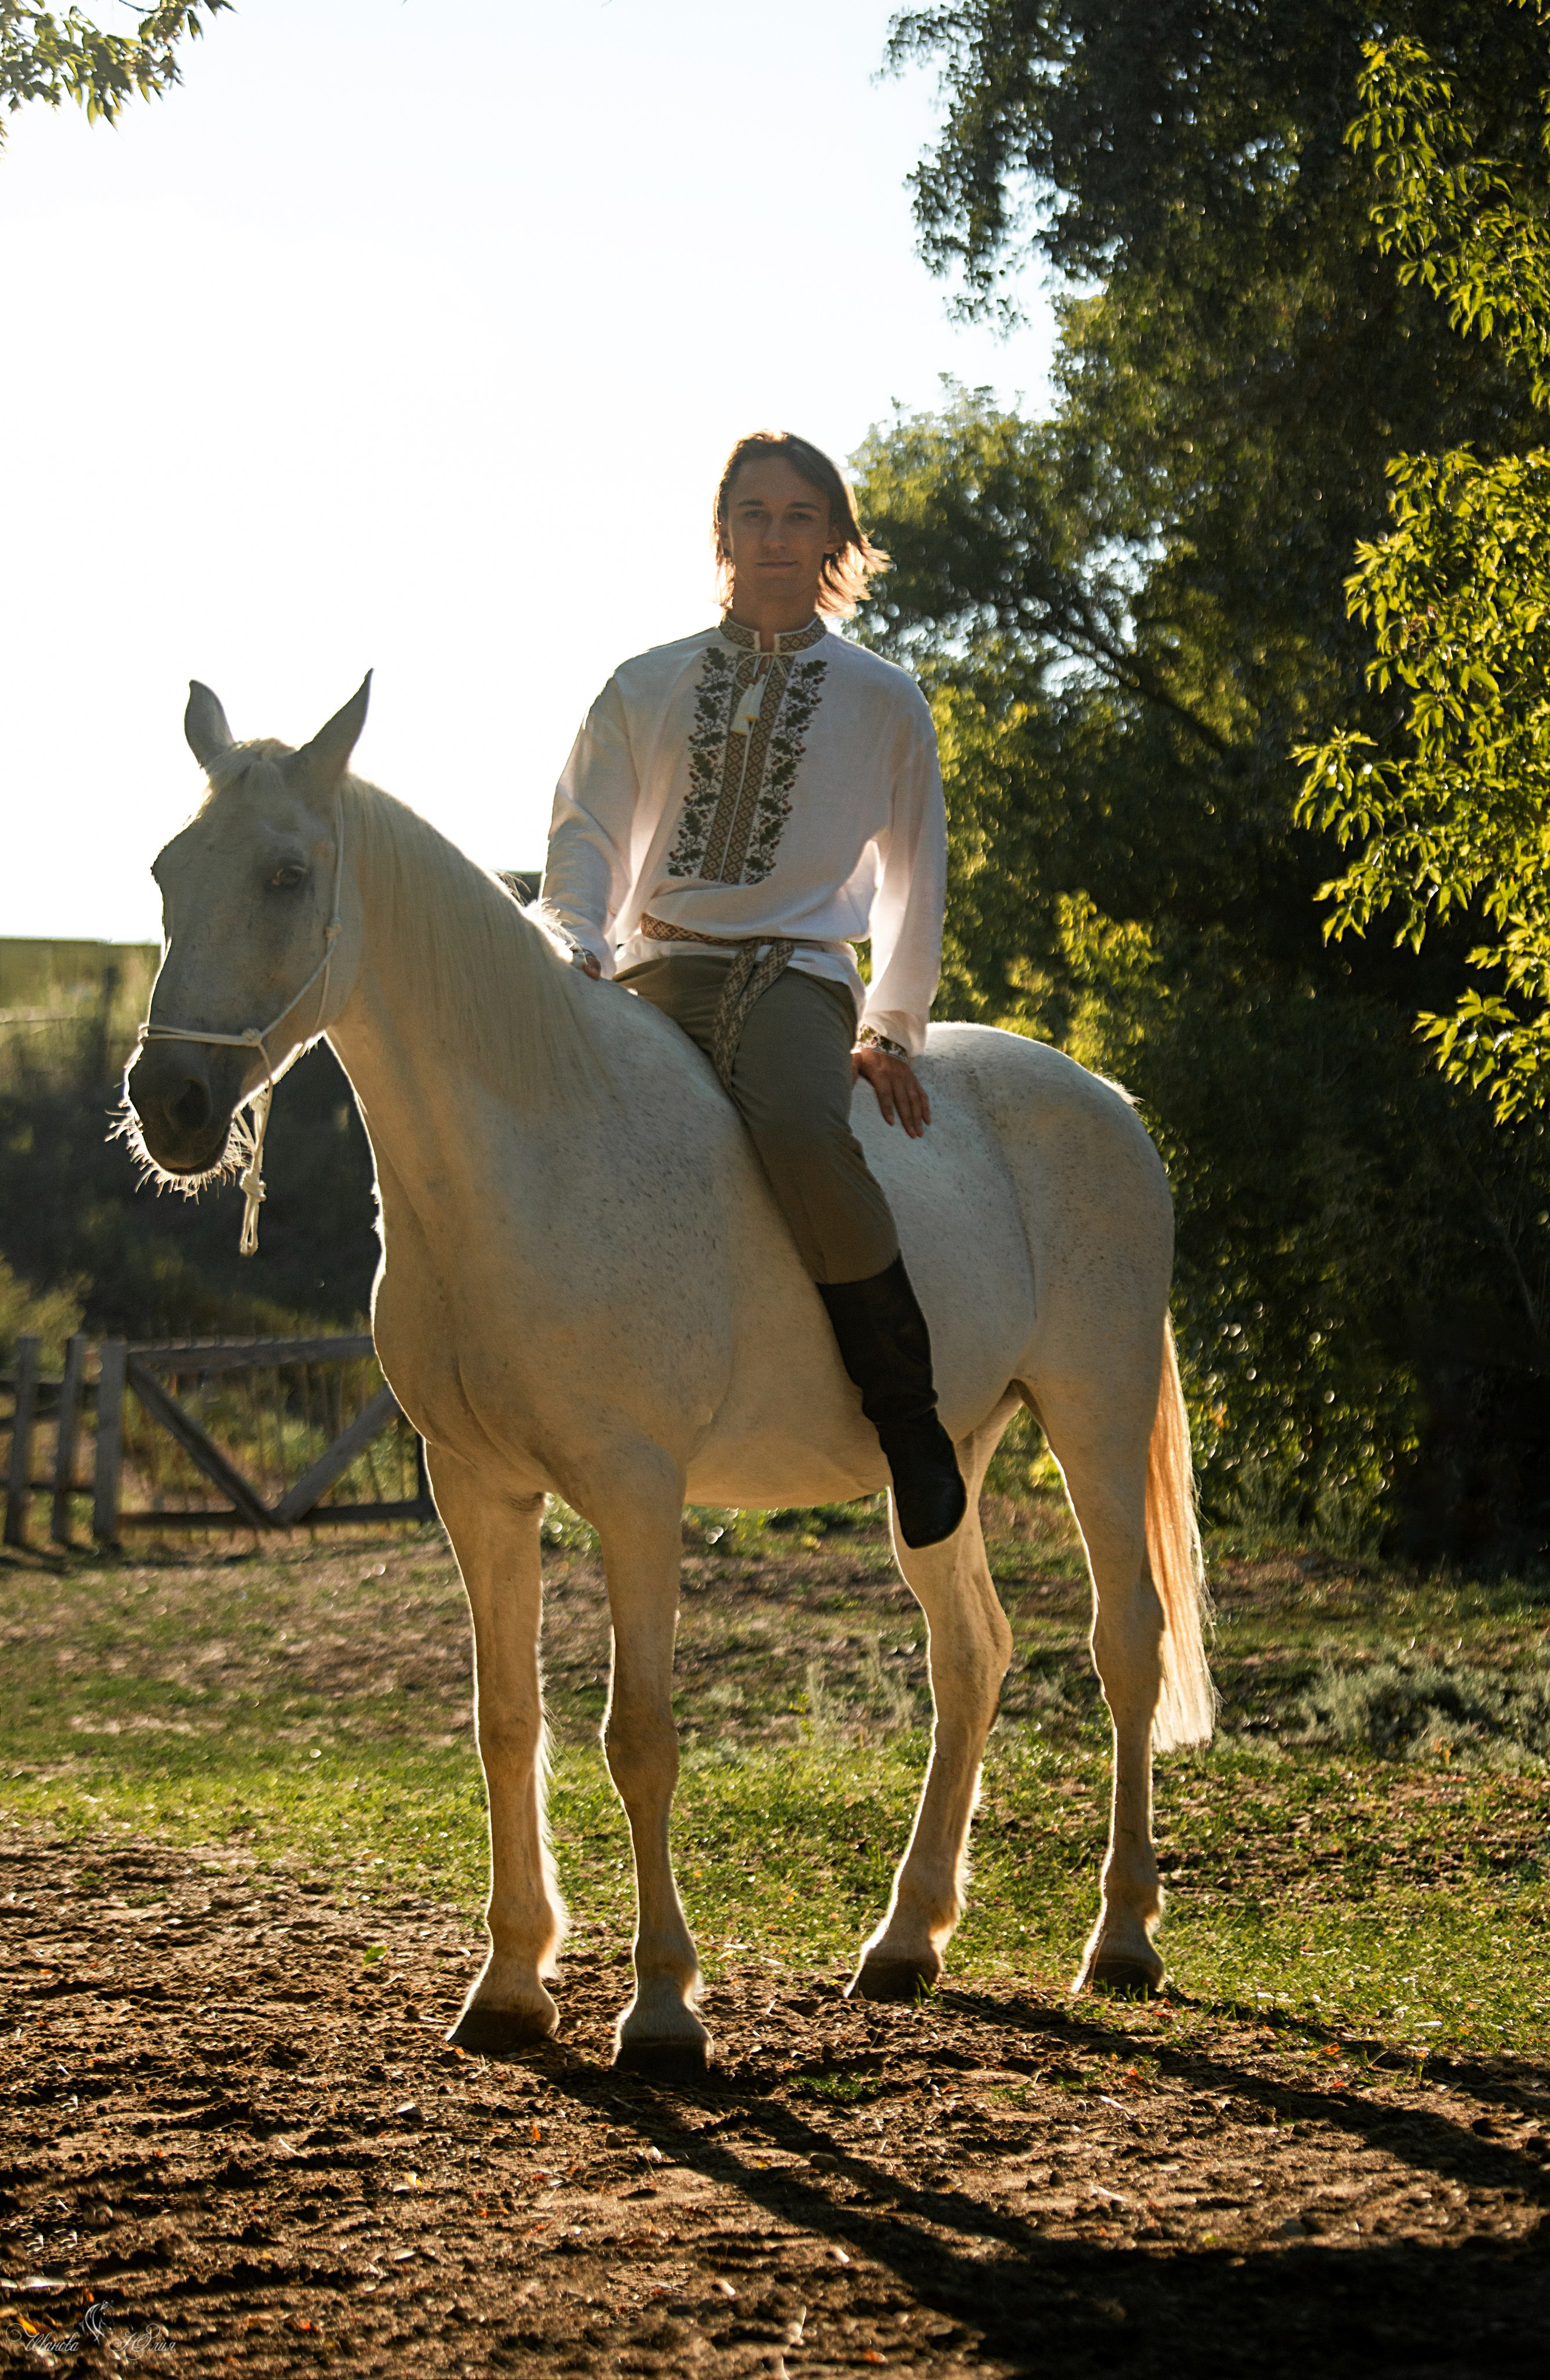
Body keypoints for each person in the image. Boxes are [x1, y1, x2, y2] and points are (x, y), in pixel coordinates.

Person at [538, 430, 966, 1548]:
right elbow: (583, 835)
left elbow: (918, 871)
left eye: (800, 515)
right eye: (755, 513)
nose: (776, 536)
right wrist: (576, 941)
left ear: (834, 538)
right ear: (721, 530)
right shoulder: (642, 684)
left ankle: (909, 1422)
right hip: (647, 962)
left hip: (791, 975)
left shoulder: (884, 699)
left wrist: (892, 1027)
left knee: (801, 1131)